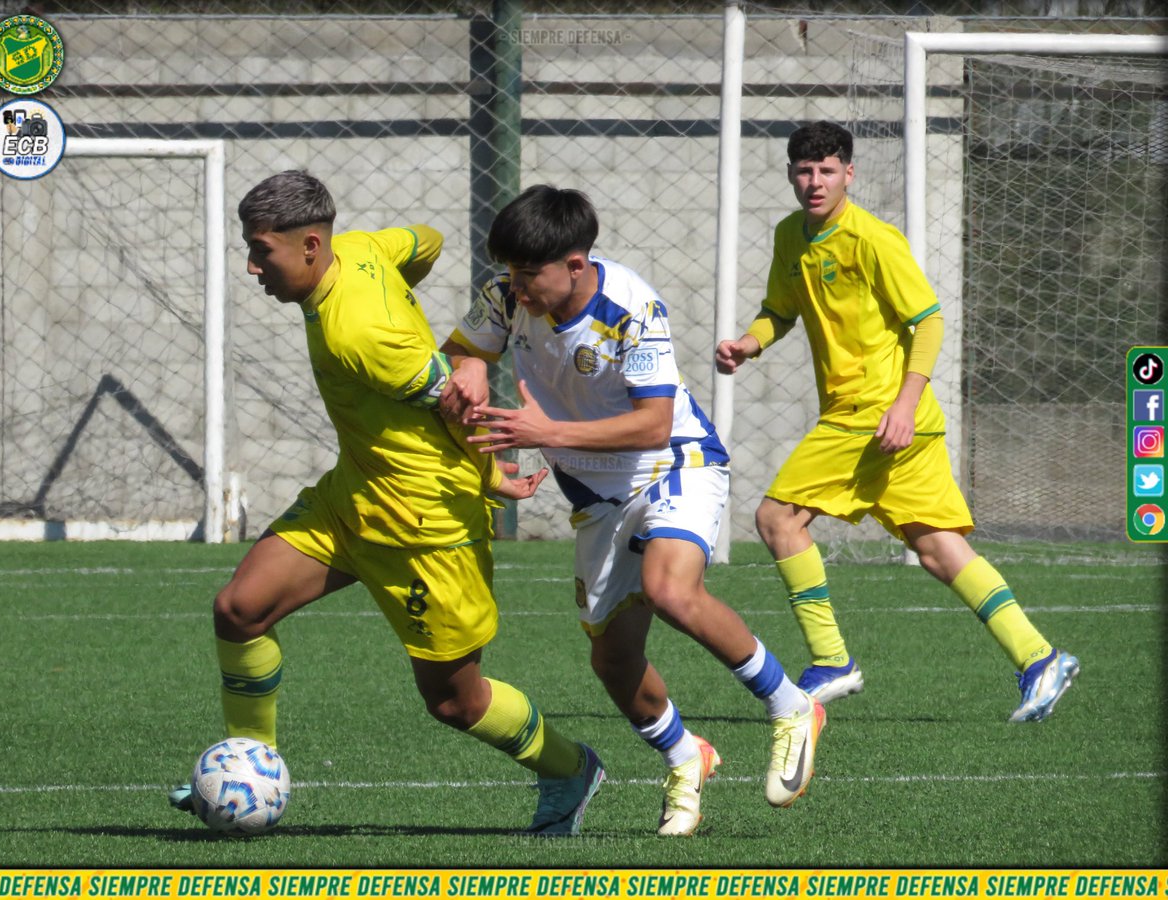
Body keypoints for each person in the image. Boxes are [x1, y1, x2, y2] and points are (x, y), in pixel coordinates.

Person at [168, 170, 604, 836]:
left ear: (311, 245)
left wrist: (489, 476)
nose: (252, 266)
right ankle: (249, 768)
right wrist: (403, 293)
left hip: (424, 525)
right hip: (353, 497)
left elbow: (461, 403)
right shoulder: (365, 248)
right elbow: (424, 241)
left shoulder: (363, 336)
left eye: (262, 251)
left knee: (456, 703)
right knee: (240, 610)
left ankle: (570, 768)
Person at [439, 185, 825, 838]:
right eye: (510, 272)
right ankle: (685, 756)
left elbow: (653, 424)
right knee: (613, 662)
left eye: (529, 274)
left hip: (673, 463)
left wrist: (547, 432)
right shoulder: (506, 295)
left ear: (576, 264)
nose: (516, 287)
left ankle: (792, 706)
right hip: (596, 498)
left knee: (669, 589)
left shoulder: (631, 307)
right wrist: (469, 366)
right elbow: (462, 346)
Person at [715, 121, 1079, 723]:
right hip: (883, 422)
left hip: (877, 415)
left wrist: (904, 404)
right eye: (805, 171)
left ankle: (831, 659)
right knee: (937, 549)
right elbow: (779, 310)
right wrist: (747, 344)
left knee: (777, 518)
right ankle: (1039, 657)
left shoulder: (873, 238)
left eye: (827, 170)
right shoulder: (790, 236)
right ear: (790, 174)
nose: (815, 182)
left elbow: (928, 320)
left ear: (848, 173)